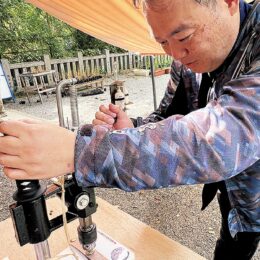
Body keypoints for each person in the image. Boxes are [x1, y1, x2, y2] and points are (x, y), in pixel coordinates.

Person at [0, 0, 259, 259]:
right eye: (163, 43)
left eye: (184, 36)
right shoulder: (186, 62)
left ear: (228, 2)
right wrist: (132, 128)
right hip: (239, 206)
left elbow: (220, 142)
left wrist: (79, 152)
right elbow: (168, 115)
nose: (176, 54)